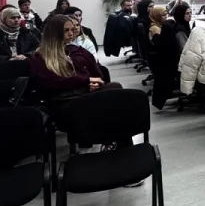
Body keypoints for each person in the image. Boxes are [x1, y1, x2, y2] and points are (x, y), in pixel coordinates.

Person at [31, 16, 134, 159]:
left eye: (72, 30)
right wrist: (85, 81)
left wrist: (94, 84)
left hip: (85, 94)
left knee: (115, 90)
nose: (71, 34)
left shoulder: (78, 51)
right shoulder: (41, 57)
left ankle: (121, 148)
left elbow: (97, 74)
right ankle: (110, 144)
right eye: (66, 30)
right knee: (109, 109)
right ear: (54, 32)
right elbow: (51, 83)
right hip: (63, 102)